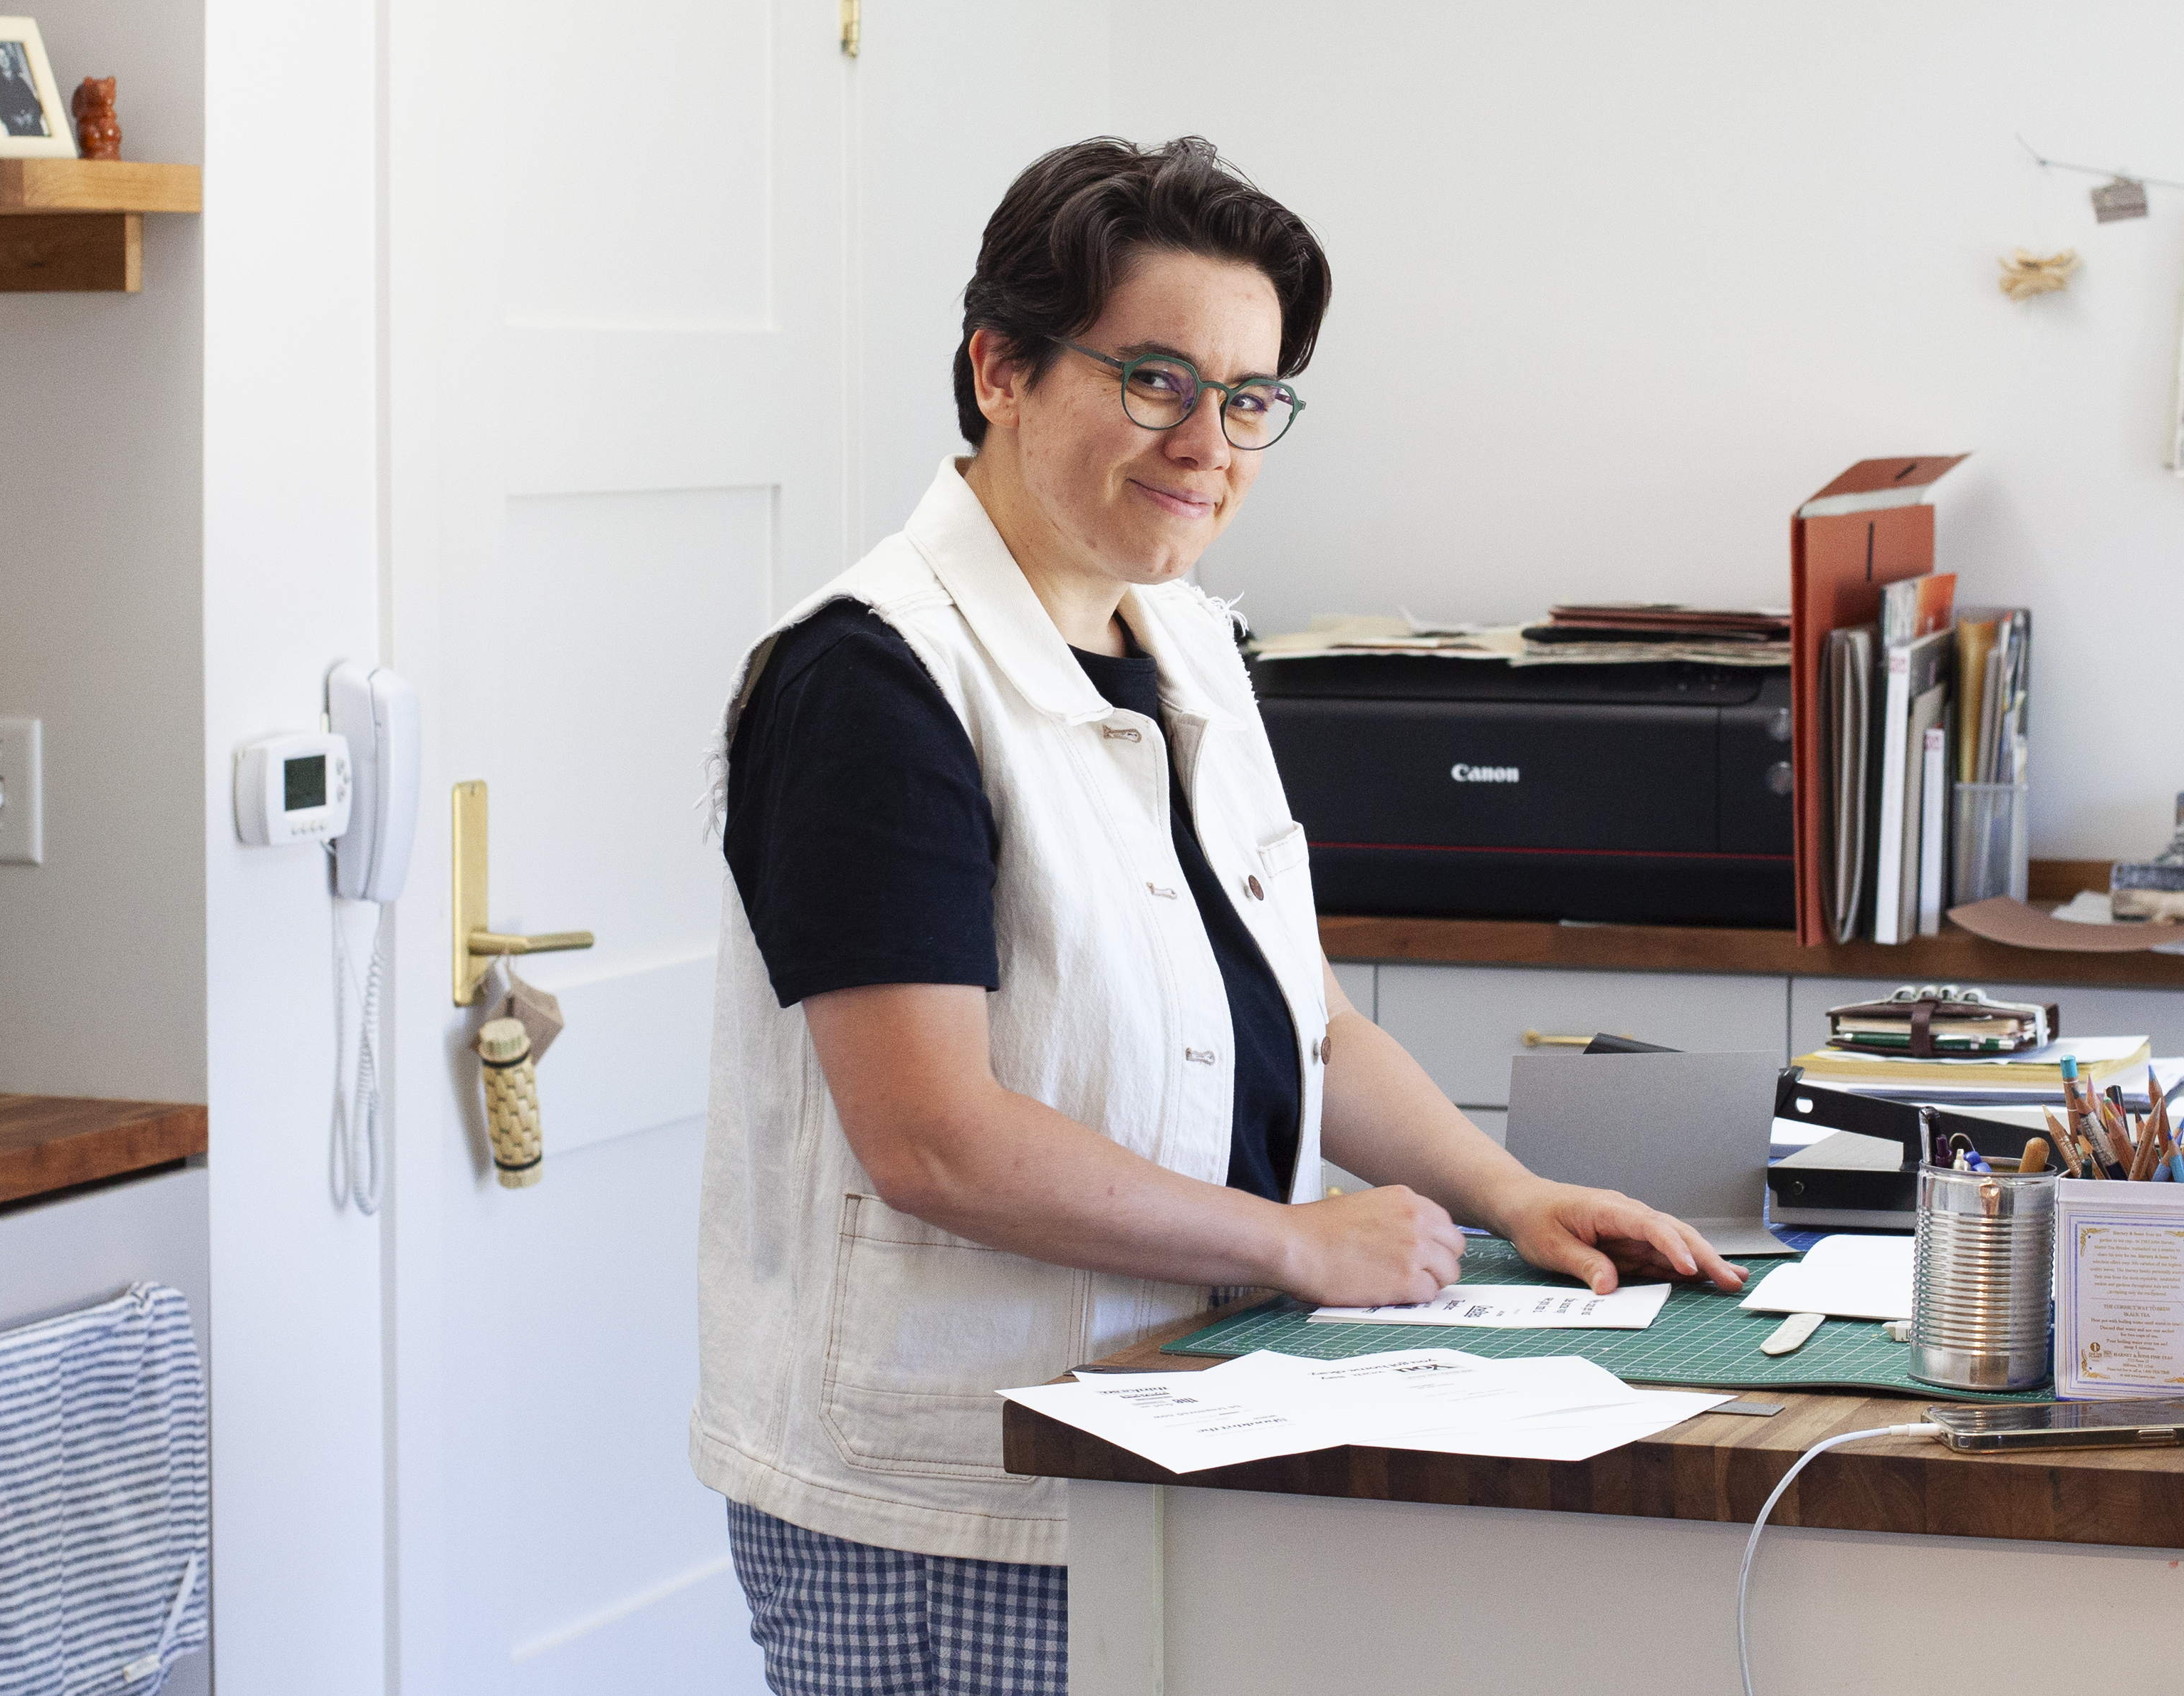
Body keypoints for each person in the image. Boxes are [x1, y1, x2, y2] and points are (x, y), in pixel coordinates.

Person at [695, 135, 1740, 1696]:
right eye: (1157, 379)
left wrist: (1507, 1192)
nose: (1210, 441)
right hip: (958, 1500)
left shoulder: (1186, 640)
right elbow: (931, 1137)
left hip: (1177, 1429)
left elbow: (1300, 1013)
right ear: (1000, 366)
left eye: (1251, 398)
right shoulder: (874, 680)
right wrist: (1298, 1241)